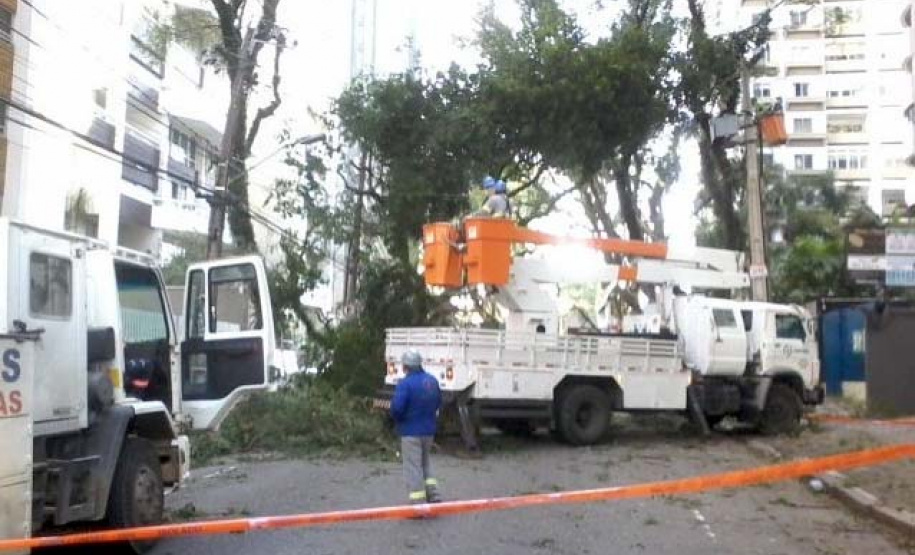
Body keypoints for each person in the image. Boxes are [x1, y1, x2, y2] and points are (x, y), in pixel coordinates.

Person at [390, 349, 443, 504]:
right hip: (429, 430)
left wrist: (398, 420)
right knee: (425, 463)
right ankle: (433, 495)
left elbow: (397, 409)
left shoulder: (405, 384)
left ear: (405, 366)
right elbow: (438, 402)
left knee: (413, 467)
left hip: (410, 432)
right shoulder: (432, 381)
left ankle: (418, 503)